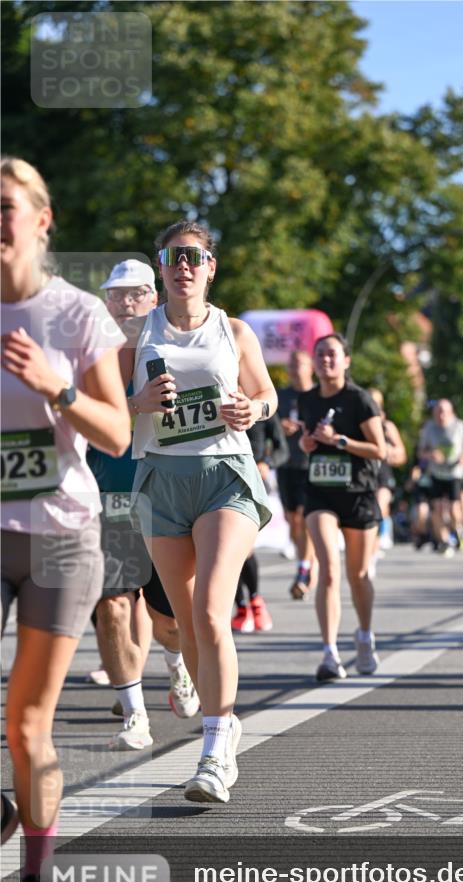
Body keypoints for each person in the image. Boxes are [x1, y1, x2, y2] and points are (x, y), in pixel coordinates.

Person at [1, 157, 131, 882]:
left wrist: (59, 388)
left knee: (26, 725)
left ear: (41, 220)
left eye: (4, 206)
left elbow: (117, 432)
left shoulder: (77, 315)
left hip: (59, 536)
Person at [124, 220, 276, 804]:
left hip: (224, 479)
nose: (183, 264)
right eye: (172, 255)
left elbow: (267, 394)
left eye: (194, 256)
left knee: (212, 613)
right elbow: (109, 410)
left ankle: (216, 749)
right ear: (161, 267)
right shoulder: (138, 334)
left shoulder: (233, 331)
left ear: (211, 267)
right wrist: (137, 402)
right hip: (162, 479)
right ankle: (224, 720)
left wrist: (251, 409)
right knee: (186, 624)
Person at [89, 259, 199, 751]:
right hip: (107, 497)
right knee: (113, 605)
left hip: (163, 496)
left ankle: (177, 666)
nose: (126, 302)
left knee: (167, 620)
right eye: (117, 295)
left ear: (154, 299)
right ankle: (134, 715)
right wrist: (136, 405)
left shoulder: (176, 346)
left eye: (136, 294)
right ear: (107, 302)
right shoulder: (87, 355)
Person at [298, 333, 386, 681]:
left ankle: (364, 636)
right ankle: (329, 653)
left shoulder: (360, 400)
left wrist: (341, 441)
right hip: (320, 493)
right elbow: (306, 444)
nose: (326, 360)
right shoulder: (307, 400)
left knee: (358, 575)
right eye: (320, 354)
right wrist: (307, 444)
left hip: (358, 493)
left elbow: (379, 450)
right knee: (329, 569)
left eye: (332, 354)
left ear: (346, 360)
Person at [232, 413, 288, 633]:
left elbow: (282, 448)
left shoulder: (261, 408)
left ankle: (255, 602)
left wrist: (267, 462)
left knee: (243, 549)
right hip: (222, 479)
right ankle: (241, 607)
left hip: (252, 483)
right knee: (224, 549)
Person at [277, 350, 317, 599]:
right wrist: (280, 427)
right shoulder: (282, 396)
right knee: (293, 522)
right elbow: (268, 425)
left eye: (298, 364)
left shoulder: (318, 395)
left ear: (310, 367)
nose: (293, 369)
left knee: (304, 518)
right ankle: (308, 561)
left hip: (311, 466)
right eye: (290, 365)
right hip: (286, 463)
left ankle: (304, 571)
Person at [417, 399, 463, 556]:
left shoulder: (459, 426)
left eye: (444, 412)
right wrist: (430, 455)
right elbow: (421, 451)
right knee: (437, 509)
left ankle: (458, 530)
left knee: (454, 509)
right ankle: (445, 540)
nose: (441, 415)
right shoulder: (429, 428)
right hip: (436, 473)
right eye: (438, 412)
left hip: (454, 473)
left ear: (451, 412)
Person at [368, 388, 407, 570]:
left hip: (383, 473)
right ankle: (369, 549)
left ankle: (373, 552)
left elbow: (402, 454)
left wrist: (390, 452)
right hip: (364, 473)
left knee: (380, 507)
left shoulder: (387, 426)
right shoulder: (358, 422)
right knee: (367, 515)